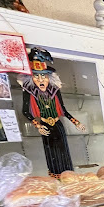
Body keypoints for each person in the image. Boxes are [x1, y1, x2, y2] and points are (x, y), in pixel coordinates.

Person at [17, 48, 86, 178]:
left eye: (43, 76)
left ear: (49, 77)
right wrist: (38, 125)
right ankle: (55, 177)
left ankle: (67, 176)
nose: (41, 79)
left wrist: (76, 123)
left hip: (58, 124)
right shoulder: (30, 92)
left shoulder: (54, 91)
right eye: (36, 76)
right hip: (45, 126)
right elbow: (25, 111)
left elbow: (63, 110)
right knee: (51, 153)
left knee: (64, 151)